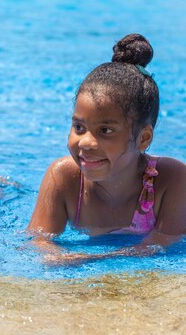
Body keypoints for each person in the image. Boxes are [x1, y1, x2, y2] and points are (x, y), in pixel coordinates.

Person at [28, 34, 186, 265]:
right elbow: (35, 241)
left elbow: (166, 241)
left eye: (106, 130)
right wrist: (55, 256)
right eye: (79, 127)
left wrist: (95, 259)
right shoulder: (63, 177)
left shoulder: (172, 180)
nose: (86, 142)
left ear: (143, 138)